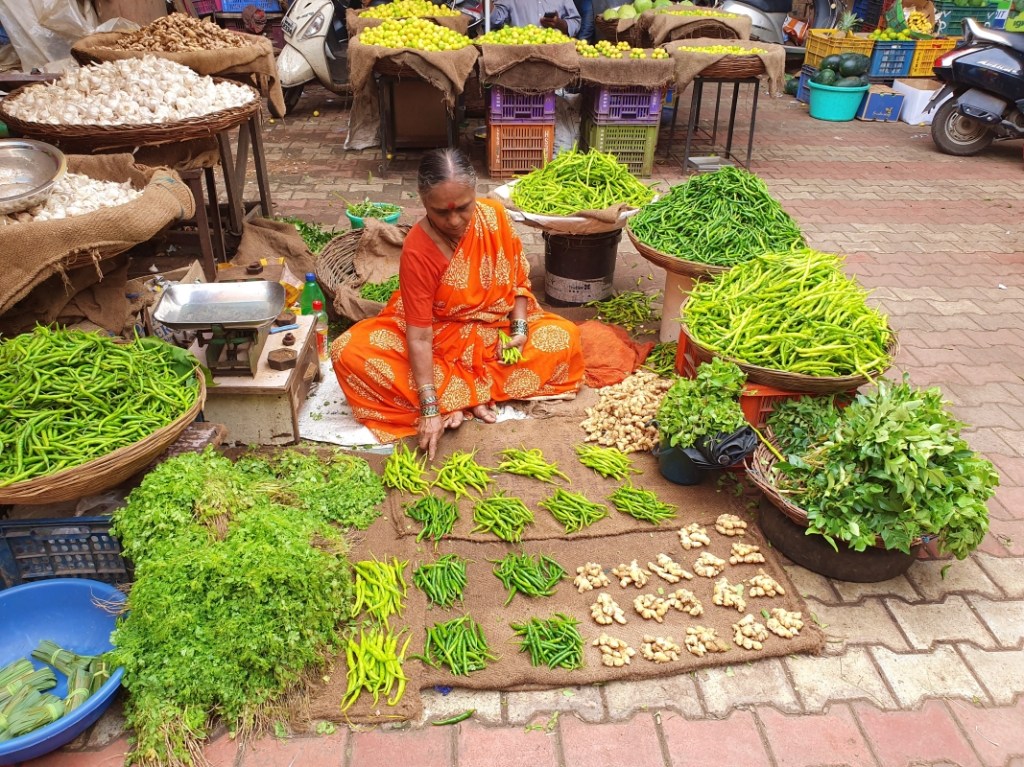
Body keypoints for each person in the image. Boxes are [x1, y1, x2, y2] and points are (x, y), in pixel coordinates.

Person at [331, 148, 585, 459]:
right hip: (437, 337)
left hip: (495, 332)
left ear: (475, 193)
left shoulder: (495, 218)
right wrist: (429, 409)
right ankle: (462, 396)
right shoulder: (417, 249)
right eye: (441, 212)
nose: (453, 220)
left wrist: (519, 330)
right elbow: (420, 336)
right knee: (349, 351)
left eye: (463, 208)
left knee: (564, 338)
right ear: (424, 202)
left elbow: (519, 282)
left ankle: (460, 394)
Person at [490, 0, 583, 37]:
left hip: (555, 54)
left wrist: (560, 24)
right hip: (519, 55)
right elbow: (494, 21)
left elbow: (575, 22)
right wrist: (487, 3)